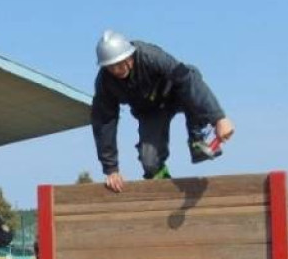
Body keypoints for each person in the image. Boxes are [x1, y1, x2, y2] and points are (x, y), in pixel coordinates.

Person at [91, 30, 235, 192]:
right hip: (150, 110)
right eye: (112, 67)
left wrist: (218, 118)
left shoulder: (150, 56)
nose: (117, 70)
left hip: (174, 93)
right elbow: (104, 122)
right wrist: (111, 169)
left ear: (129, 55)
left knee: (191, 74)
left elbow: (186, 78)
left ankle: (197, 139)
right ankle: (163, 187)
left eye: (120, 63)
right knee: (150, 162)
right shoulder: (105, 83)